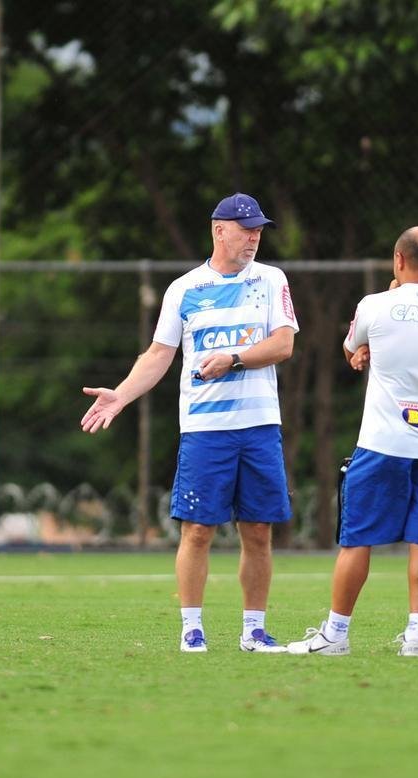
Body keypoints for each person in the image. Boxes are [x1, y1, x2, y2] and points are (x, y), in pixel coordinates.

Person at [81, 192, 298, 653]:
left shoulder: (271, 279)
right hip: (203, 429)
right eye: (247, 229)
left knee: (258, 530)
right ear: (220, 230)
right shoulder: (184, 289)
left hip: (259, 426)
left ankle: (254, 631)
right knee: (197, 530)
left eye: (259, 230)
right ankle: (192, 629)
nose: (255, 238)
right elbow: (159, 355)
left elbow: (282, 345)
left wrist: (234, 359)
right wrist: (120, 395)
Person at [288, 227, 418, 658]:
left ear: (398, 260)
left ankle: (336, 634)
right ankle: (416, 636)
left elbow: (353, 347)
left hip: (385, 439)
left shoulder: (375, 305)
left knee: (358, 539)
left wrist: (361, 350)